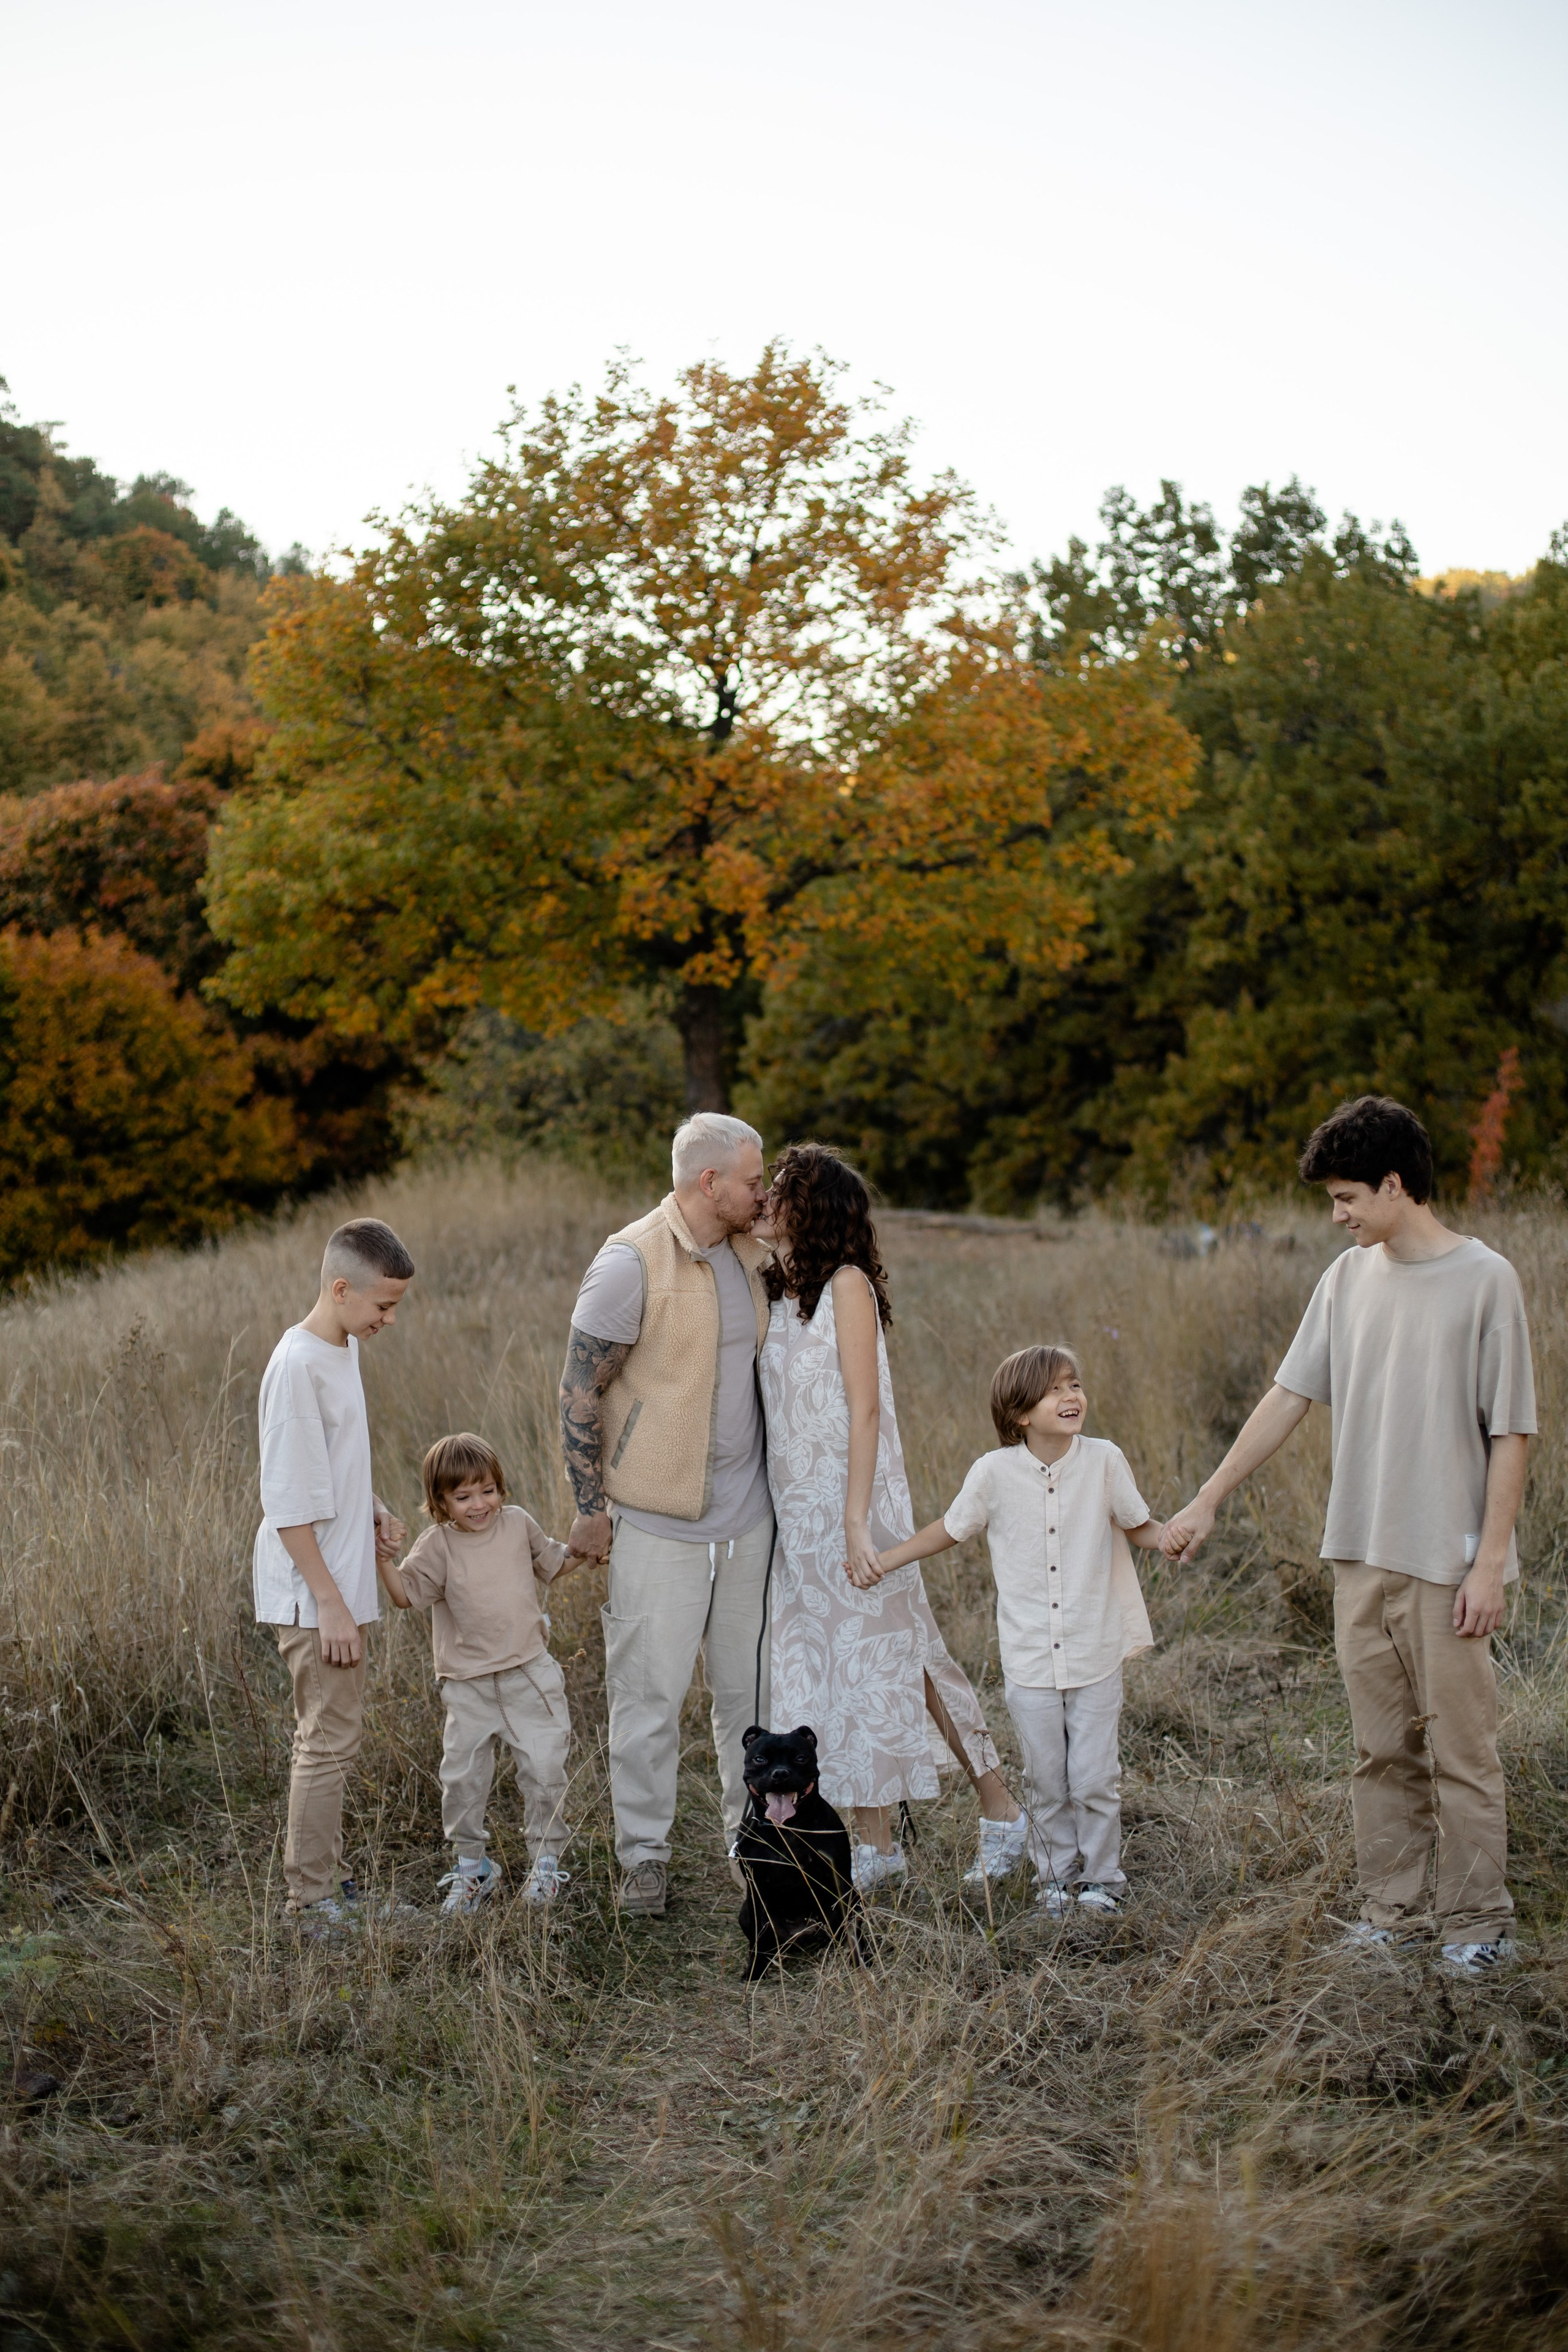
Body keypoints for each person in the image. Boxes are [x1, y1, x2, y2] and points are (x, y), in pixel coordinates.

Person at [1161, 1095, 1535, 1981]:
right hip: (1359, 1556)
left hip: (1447, 1568)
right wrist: (1211, 1497)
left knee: (1463, 1754)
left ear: (1396, 1185)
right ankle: (1393, 1914)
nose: (1337, 1217)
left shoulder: (1487, 1280)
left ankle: (1477, 1927)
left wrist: (1489, 1564)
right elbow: (1288, 1396)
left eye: (1346, 1199)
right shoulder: (1346, 1277)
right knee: (1379, 1752)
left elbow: (1511, 1432)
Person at [757, 1144, 1026, 1894]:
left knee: (895, 1664)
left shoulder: (847, 1287)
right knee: (849, 1671)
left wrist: (854, 1522)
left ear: (811, 1208)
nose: (766, 1200)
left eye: (780, 1190)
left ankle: (979, 1819)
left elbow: (865, 1410)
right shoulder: (777, 1292)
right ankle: (885, 1842)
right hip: (797, 1519)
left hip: (857, 1505)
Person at [559, 1112, 775, 1918]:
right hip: (656, 1521)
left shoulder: (758, 1250)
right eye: (753, 1180)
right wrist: (591, 1509)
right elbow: (579, 1392)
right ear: (706, 1182)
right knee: (647, 1699)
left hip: (751, 1519)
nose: (765, 1190)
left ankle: (752, 1843)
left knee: (749, 1699)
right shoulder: (630, 1263)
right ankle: (644, 1857)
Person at [877, 1343, 1165, 1915]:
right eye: (1055, 1389)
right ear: (1019, 1414)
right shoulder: (993, 1473)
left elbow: (1140, 1526)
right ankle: (1055, 1880)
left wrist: (1173, 1536)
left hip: (1093, 1651)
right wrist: (887, 1560)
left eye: (1075, 1385)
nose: (1071, 1396)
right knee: (1046, 1780)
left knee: (1094, 1778)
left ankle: (1103, 1880)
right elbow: (950, 1529)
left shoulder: (1105, 1460)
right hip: (1030, 1659)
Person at [253, 1216, 414, 1923]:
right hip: (314, 1592)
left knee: (333, 1735)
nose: (387, 1320)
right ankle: (311, 1901)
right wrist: (331, 1603)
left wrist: (372, 1506)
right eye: (383, 1306)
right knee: (326, 1741)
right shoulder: (297, 1367)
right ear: (341, 1288)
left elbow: (331, 1466)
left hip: (337, 1583)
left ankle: (330, 1884)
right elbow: (287, 1505)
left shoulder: (340, 1347)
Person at [379, 1433, 581, 1915]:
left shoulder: (517, 1525)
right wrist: (383, 1558)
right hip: (467, 1686)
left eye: (487, 1490)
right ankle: (473, 1869)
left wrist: (599, 1539)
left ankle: (546, 1865)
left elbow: (554, 1563)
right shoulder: (438, 1545)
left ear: (500, 1488)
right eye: (463, 1496)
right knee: (463, 1781)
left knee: (546, 1770)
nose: (478, 1504)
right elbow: (406, 1594)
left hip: (530, 1674)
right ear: (441, 1501)